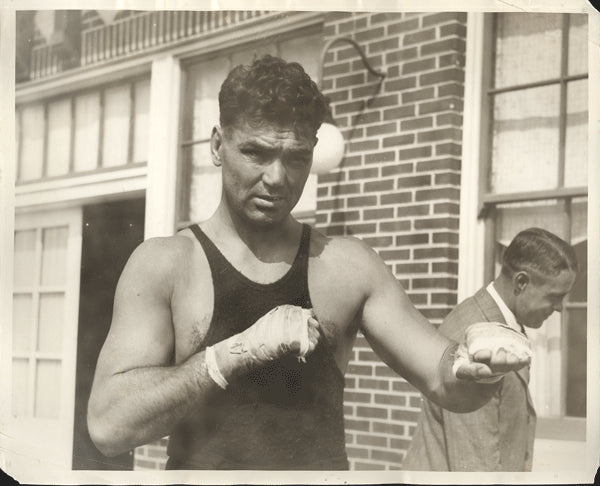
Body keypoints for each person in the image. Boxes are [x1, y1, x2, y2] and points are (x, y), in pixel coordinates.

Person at [87, 55, 531, 470]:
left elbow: (445, 381)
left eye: (296, 157)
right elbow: (108, 427)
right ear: (218, 145)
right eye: (256, 153)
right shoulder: (165, 265)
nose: (277, 178)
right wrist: (230, 355)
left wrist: (478, 364)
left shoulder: (347, 267)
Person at [403, 227, 578, 472]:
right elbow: (474, 465)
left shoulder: (501, 322)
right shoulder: (474, 339)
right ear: (521, 282)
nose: (559, 307)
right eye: (554, 296)